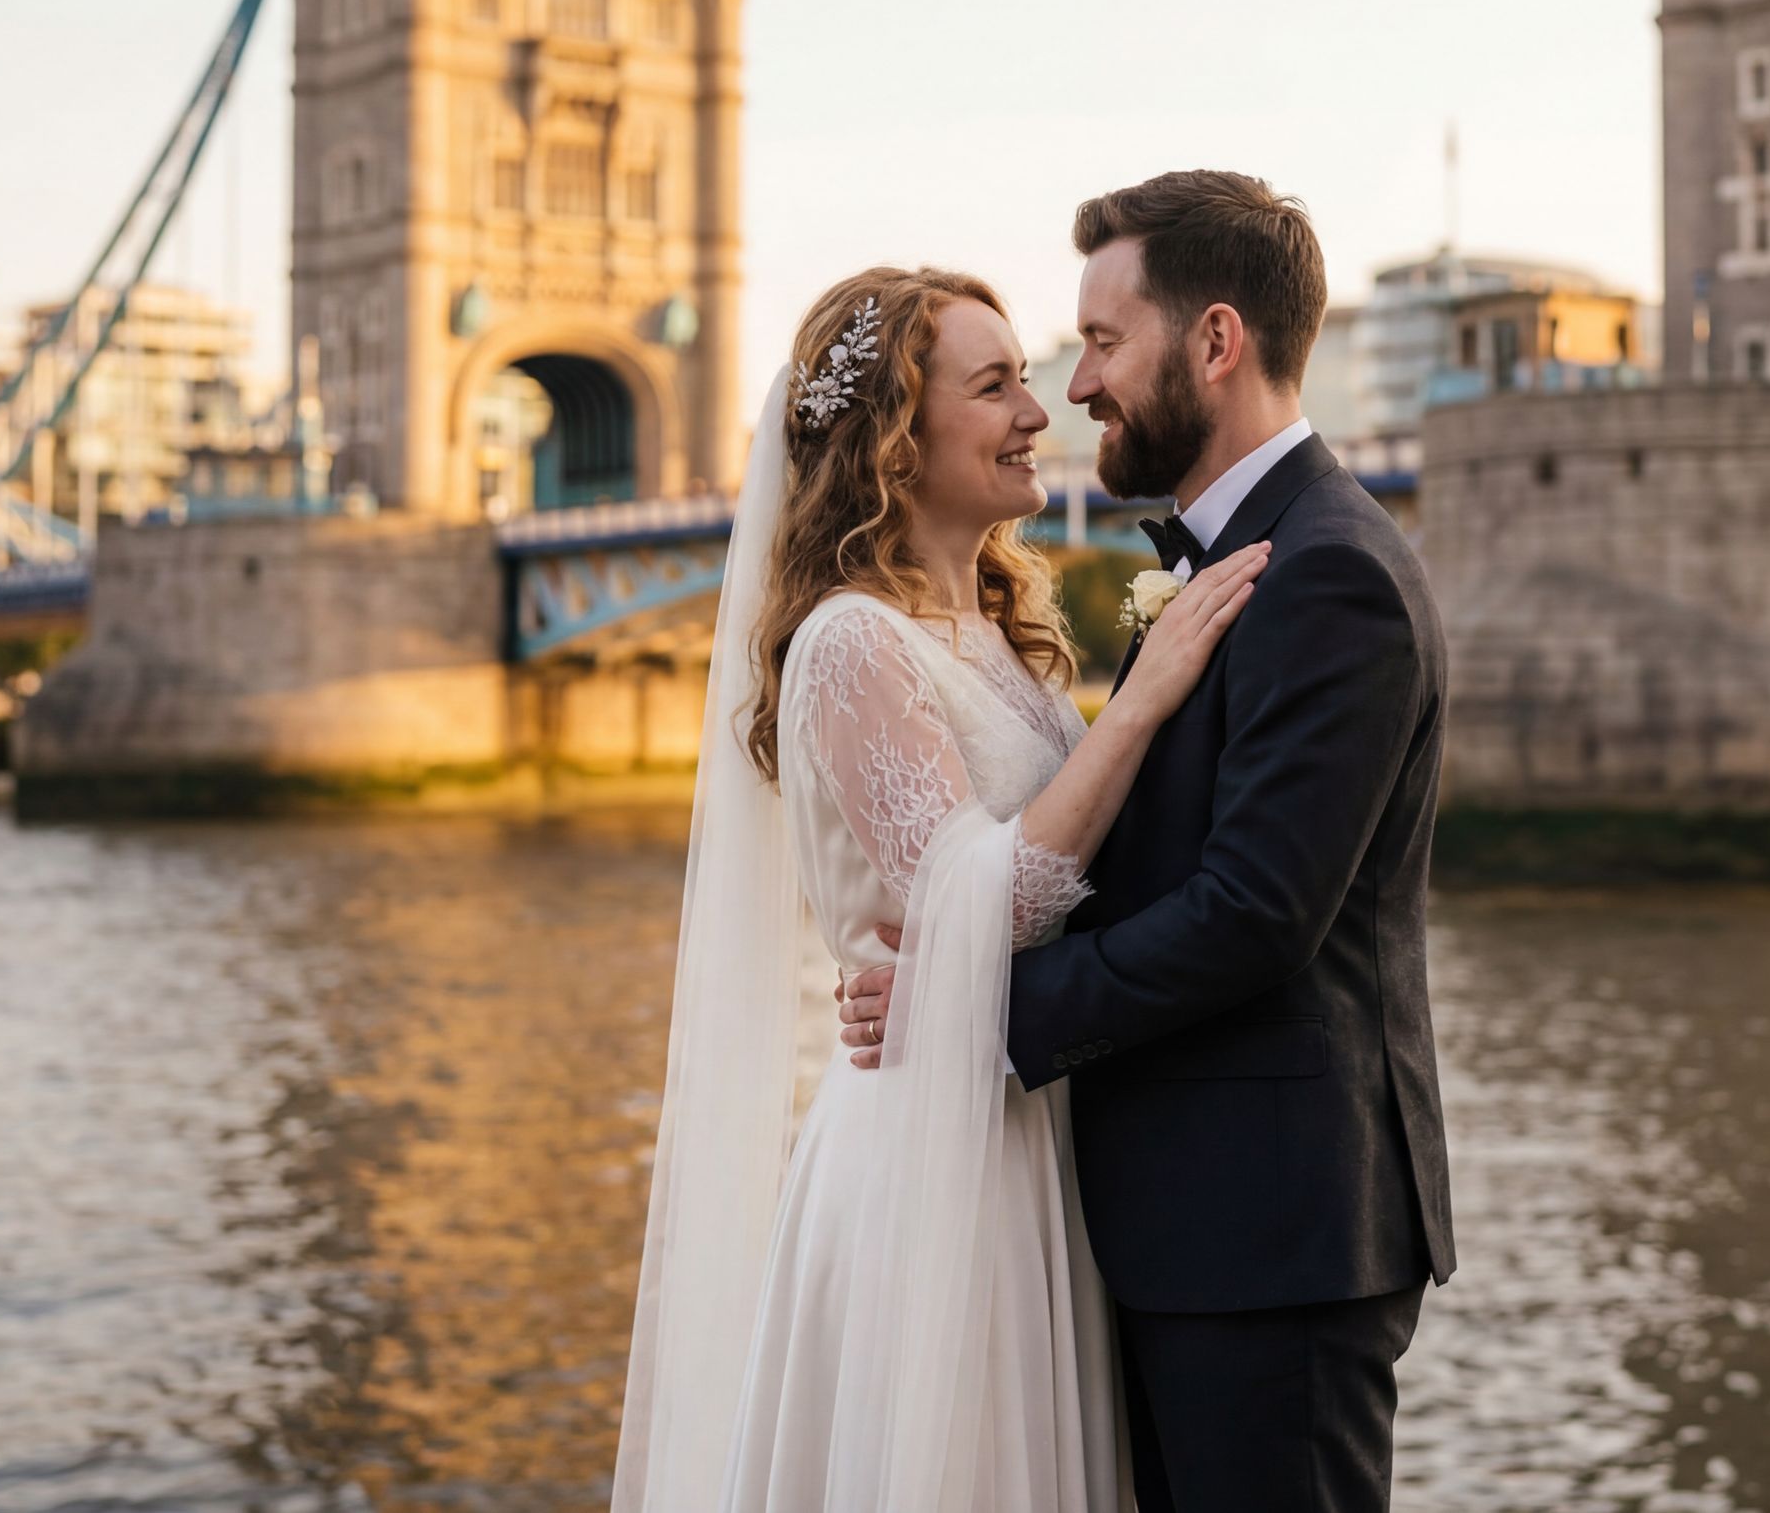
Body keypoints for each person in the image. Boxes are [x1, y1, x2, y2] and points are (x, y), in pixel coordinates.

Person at [841, 171, 1457, 1511]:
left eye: (1102, 343)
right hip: (1177, 1230)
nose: (1077, 389)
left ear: (1216, 341)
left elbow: (1252, 913)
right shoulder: (1219, 566)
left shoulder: (1328, 570)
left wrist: (969, 1001)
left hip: (1271, 1240)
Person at [611, 264, 1269, 1512]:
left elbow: (1063, 886)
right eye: (997, 384)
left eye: (1027, 377)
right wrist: (1145, 700)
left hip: (1027, 1117)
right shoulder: (850, 640)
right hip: (930, 1154)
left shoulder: (1002, 636)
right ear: (895, 446)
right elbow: (999, 898)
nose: (1040, 410)